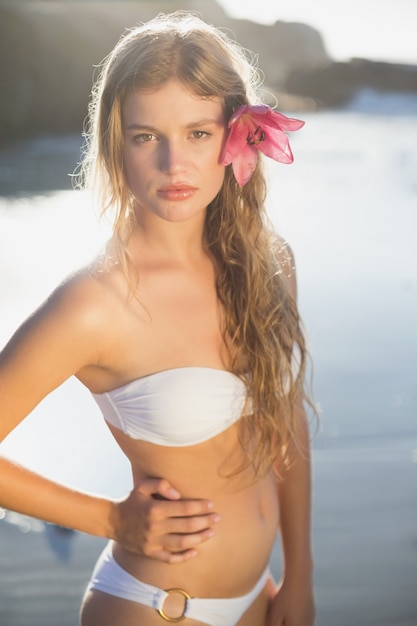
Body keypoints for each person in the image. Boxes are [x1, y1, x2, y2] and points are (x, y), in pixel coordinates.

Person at [0, 10, 316, 626]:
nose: (175, 164)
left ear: (235, 134)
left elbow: (287, 424)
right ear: (115, 142)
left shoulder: (269, 264)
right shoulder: (94, 303)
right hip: (156, 608)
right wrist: (110, 518)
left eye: (198, 133)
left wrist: (300, 575)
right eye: (147, 136)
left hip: (263, 598)